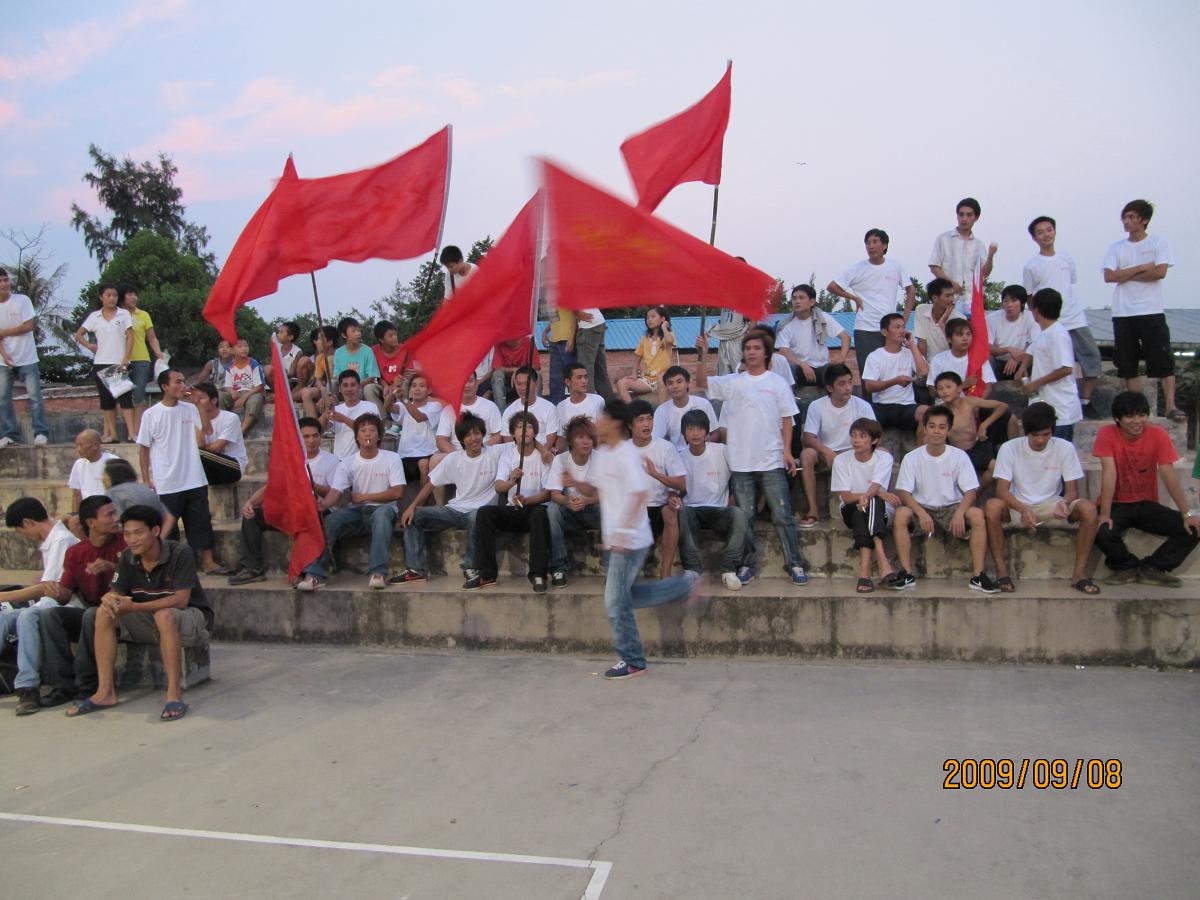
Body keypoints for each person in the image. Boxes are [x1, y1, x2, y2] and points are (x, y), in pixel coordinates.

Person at [567, 399, 701, 678]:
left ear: (615, 423)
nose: (598, 423)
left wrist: (622, 532)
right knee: (623, 597)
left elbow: (639, 493)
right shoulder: (605, 453)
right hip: (616, 539)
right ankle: (686, 585)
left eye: (602, 418)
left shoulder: (626, 454)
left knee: (615, 602)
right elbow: (599, 489)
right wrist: (575, 483)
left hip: (629, 540)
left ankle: (632, 660)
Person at [65, 504, 213, 721]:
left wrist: (134, 607)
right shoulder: (127, 556)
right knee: (103, 613)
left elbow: (181, 600)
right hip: (150, 619)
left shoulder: (179, 553)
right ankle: (105, 692)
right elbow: (116, 591)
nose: (132, 539)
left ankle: (174, 695)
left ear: (155, 530)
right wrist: (110, 598)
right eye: (127, 534)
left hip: (189, 619)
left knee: (165, 614)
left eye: (138, 533)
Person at [694, 331, 810, 586]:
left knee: (782, 515)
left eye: (756, 348)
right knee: (744, 518)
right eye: (747, 348)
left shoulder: (777, 383)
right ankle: (747, 563)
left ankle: (795, 563)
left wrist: (787, 451)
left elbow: (787, 419)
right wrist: (702, 354)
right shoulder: (734, 382)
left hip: (771, 460)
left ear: (766, 352)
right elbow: (702, 382)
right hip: (741, 462)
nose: (751, 352)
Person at [984, 402, 1100, 594]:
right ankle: (1002, 574)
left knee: (1088, 509)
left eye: (1045, 434)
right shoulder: (1009, 448)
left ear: (1052, 431)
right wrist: (1023, 509)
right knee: (992, 506)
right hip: (1017, 505)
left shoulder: (1064, 447)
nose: (1040, 440)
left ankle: (1079, 574)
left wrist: (1064, 503)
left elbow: (1072, 491)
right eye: (1035, 435)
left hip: (1051, 504)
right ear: (1026, 432)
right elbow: (1002, 491)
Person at [1093, 391, 1200, 587]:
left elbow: (1168, 473)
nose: (1137, 421)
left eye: (1142, 415)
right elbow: (1109, 473)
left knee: (1193, 529)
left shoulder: (1158, 434)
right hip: (1116, 504)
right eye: (1130, 416)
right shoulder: (1106, 433)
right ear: (1117, 419)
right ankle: (1125, 566)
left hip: (1146, 504)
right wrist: (1105, 514)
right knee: (1100, 530)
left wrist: (1187, 514)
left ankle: (1152, 568)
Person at [892, 406, 996, 593]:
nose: (936, 431)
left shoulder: (959, 456)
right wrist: (921, 513)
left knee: (976, 514)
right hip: (922, 507)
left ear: (948, 430)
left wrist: (960, 513)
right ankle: (906, 573)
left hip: (951, 507)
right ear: (925, 428)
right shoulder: (912, 458)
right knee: (901, 514)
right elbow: (904, 492)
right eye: (932, 426)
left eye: (941, 427)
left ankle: (979, 575)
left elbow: (970, 491)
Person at [228, 416, 342, 585]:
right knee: (252, 516)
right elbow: (271, 486)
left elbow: (334, 492)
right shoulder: (290, 459)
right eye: (306, 436)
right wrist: (250, 503)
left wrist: (308, 483)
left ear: (321, 437)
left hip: (317, 511)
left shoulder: (331, 461)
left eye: (315, 435)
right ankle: (252, 568)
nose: (311, 440)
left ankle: (303, 570)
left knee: (309, 519)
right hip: (291, 510)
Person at [296, 415, 403, 591]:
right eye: (363, 430)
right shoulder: (347, 463)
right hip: (358, 512)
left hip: (384, 510)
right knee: (332, 520)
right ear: (356, 437)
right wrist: (324, 504)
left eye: (372, 430)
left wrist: (364, 497)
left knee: (382, 515)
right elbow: (335, 492)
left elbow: (397, 492)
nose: (367, 434)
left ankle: (378, 572)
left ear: (379, 435)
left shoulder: (392, 458)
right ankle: (315, 575)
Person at [38, 494, 126, 707]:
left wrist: (112, 567)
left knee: (92, 614)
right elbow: (65, 595)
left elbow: (137, 577)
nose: (116, 519)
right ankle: (62, 685)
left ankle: (87, 683)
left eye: (115, 513)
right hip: (93, 613)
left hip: (123, 612)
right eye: (109, 515)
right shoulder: (76, 552)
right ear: (91, 523)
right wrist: (54, 591)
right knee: (49, 615)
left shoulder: (126, 543)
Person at [394, 413, 500, 584]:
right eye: (468, 435)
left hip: (479, 514)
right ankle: (415, 569)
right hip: (455, 510)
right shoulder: (454, 458)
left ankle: (471, 567)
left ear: (483, 434)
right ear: (462, 439)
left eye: (477, 433)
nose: (474, 438)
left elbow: (521, 443)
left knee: (478, 515)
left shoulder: (495, 453)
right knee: (413, 516)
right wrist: (412, 506)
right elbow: (431, 484)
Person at [1102, 200, 1182, 421]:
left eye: (1132, 217)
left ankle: (1171, 406)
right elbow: (1109, 276)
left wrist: (1125, 274)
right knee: (1127, 362)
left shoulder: (1158, 242)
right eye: (1125, 217)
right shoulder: (1116, 247)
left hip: (1151, 309)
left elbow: (1159, 272)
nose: (1126, 221)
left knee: (1162, 359)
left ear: (1144, 219)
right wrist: (1139, 268)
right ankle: (1137, 409)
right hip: (1123, 312)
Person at [0, 497, 79, 714]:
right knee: (3, 619)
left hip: (67, 605)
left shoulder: (62, 541)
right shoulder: (51, 543)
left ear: (28, 523)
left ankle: (27, 687)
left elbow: (48, 588)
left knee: (27, 617)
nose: (23, 536)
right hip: (47, 603)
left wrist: (4, 596)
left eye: (20, 531)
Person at [137, 369, 220, 574]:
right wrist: (146, 478)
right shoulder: (151, 414)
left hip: (195, 477)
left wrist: (199, 405)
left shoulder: (190, 409)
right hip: (167, 481)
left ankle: (208, 562)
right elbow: (143, 448)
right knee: (170, 528)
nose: (183, 385)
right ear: (165, 386)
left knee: (201, 522)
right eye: (178, 382)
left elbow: (207, 430)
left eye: (183, 381)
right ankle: (173, 567)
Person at [1023, 217, 1102, 416]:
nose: (1046, 235)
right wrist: (1038, 318)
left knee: (1091, 355)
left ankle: (1086, 400)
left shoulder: (1066, 258)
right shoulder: (1032, 265)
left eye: (1049, 230)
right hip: (1049, 320)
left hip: (1074, 317)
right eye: (1040, 232)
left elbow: (1070, 284)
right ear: (1034, 238)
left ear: (1055, 231)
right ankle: (1040, 402)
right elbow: (1029, 296)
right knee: (1046, 360)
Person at [472, 411, 552, 592]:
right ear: (513, 433)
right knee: (484, 513)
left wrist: (527, 500)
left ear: (535, 432)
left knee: (539, 513)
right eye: (520, 427)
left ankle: (538, 574)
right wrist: (512, 481)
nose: (525, 431)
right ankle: (486, 573)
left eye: (529, 427)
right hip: (513, 508)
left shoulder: (542, 457)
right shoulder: (508, 455)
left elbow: (547, 494)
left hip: (534, 508)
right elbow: (499, 487)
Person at [826, 230, 914, 384]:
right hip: (865, 327)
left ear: (884, 245)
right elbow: (832, 287)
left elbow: (911, 289)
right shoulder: (857, 268)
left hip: (890, 328)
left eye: (875, 242)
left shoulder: (895, 266)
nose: (871, 246)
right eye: (867, 243)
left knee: (892, 370)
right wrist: (854, 298)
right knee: (869, 375)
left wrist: (905, 317)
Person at [676, 409, 749, 591]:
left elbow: (740, 473)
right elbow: (676, 488)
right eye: (690, 429)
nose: (695, 434)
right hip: (693, 510)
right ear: (684, 433)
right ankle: (692, 569)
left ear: (707, 431)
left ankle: (729, 569)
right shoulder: (679, 456)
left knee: (739, 514)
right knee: (683, 513)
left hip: (719, 510)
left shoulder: (721, 450)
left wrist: (733, 496)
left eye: (700, 429)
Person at [799, 363, 876, 527]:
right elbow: (808, 437)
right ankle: (813, 509)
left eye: (850, 382)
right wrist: (826, 451)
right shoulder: (817, 406)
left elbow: (875, 434)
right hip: (827, 452)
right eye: (842, 383)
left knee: (881, 452)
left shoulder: (862, 406)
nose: (848, 387)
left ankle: (875, 503)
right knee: (807, 455)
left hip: (854, 451)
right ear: (829, 387)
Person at [830, 418, 898, 593]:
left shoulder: (884, 458)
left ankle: (864, 574)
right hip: (849, 509)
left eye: (862, 436)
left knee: (868, 506)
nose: (856, 440)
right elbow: (846, 497)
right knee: (869, 502)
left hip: (878, 511)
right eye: (853, 435)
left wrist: (871, 495)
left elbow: (874, 487)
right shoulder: (841, 460)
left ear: (874, 440)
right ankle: (882, 559)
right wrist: (877, 494)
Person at [630, 399, 686, 580]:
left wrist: (656, 475)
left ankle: (665, 571)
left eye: (649, 419)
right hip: (635, 509)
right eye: (640, 420)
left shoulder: (665, 447)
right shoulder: (623, 451)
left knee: (671, 511)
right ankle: (623, 572)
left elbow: (681, 483)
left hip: (660, 506)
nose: (646, 424)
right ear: (630, 425)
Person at [1017, 289, 1081, 442]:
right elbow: (1031, 351)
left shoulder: (1057, 334)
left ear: (1036, 311)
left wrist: (1036, 383)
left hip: (1060, 407)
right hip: (1046, 405)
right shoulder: (1045, 332)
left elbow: (1066, 369)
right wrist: (1023, 366)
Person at [75, 283, 135, 444]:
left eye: (114, 295)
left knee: (125, 399)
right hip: (101, 361)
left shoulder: (123, 314)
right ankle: (112, 434)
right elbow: (79, 334)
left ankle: (131, 433)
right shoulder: (95, 316)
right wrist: (90, 346)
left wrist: (126, 358)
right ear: (101, 297)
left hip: (118, 362)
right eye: (108, 295)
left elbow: (130, 336)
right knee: (107, 402)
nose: (112, 298)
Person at [545, 415, 601, 588]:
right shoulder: (561, 460)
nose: (586, 442)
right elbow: (554, 495)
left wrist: (587, 500)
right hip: (570, 510)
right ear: (571, 440)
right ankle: (558, 569)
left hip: (593, 511)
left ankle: (614, 569)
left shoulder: (601, 459)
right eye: (580, 437)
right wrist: (569, 501)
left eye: (589, 437)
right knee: (552, 510)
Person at [932, 371, 1010, 491]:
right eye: (940, 388)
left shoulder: (969, 401)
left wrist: (984, 425)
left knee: (996, 467)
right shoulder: (939, 411)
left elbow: (1003, 406)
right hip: (957, 453)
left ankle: (976, 494)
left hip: (976, 447)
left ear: (959, 388)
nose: (944, 391)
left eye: (948, 387)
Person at [0, 266, 49, 447]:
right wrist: (4, 355)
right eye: (0, 281)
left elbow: (28, 326)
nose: (4, 284)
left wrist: (3, 332)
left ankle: (41, 432)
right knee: (3, 399)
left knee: (35, 397)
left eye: (5, 280)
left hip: (27, 357)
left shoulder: (22, 300)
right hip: (4, 361)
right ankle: (10, 434)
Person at [862, 313, 929, 435]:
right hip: (881, 406)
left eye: (903, 327)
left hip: (907, 405)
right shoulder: (875, 356)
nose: (902, 331)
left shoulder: (910, 353)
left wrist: (912, 345)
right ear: (884, 332)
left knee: (927, 413)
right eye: (897, 327)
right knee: (864, 418)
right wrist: (894, 381)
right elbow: (869, 386)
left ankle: (922, 447)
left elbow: (924, 372)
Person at [928, 197, 998, 316]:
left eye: (969, 215)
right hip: (947, 298)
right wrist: (951, 283)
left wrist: (991, 256)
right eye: (961, 214)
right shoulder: (944, 239)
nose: (964, 218)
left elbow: (984, 273)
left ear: (976, 218)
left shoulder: (978, 245)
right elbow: (934, 266)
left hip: (971, 299)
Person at [776, 285, 851, 388]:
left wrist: (842, 357)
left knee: (837, 371)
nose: (797, 301)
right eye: (794, 298)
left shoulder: (822, 318)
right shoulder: (785, 324)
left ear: (812, 302)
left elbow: (845, 337)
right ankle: (790, 397)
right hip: (798, 367)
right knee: (787, 368)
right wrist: (802, 364)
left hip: (822, 366)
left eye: (801, 298)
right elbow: (783, 351)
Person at [120, 287, 166, 432]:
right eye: (129, 294)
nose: (133, 297)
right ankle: (129, 430)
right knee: (123, 396)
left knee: (139, 395)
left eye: (135, 294)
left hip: (141, 359)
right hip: (120, 360)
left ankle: (138, 430)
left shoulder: (143, 315)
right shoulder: (117, 315)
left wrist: (158, 351)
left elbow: (152, 337)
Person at [391, 373, 442, 490]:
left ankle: (422, 499)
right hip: (405, 455)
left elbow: (419, 417)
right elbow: (387, 408)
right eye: (414, 386)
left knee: (423, 463)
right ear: (409, 390)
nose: (417, 389)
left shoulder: (435, 406)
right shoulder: (402, 405)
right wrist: (394, 389)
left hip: (429, 453)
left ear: (429, 390)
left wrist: (404, 399)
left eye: (421, 386)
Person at [191, 382, 247, 487]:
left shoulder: (230, 418)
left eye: (201, 398)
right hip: (210, 468)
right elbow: (200, 444)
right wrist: (197, 419)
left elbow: (217, 448)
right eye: (195, 399)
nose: (197, 402)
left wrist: (201, 449)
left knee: (196, 453)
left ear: (214, 400)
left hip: (233, 466)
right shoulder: (195, 418)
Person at [652, 365, 719, 451]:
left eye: (679, 382)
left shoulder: (703, 404)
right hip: (676, 454)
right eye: (670, 383)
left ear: (687, 383)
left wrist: (703, 446)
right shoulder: (662, 410)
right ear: (666, 386)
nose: (675, 386)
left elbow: (716, 433)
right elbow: (656, 439)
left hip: (702, 451)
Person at [102, 457, 175, 536]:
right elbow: (169, 518)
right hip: (153, 536)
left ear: (112, 477)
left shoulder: (114, 492)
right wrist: (159, 539)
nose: (102, 479)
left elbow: (117, 525)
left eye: (104, 475)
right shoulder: (144, 488)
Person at [617, 307, 676, 402]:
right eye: (647, 318)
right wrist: (634, 374)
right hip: (647, 380)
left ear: (662, 318)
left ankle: (661, 410)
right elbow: (637, 358)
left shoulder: (668, 335)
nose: (649, 320)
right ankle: (632, 409)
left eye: (653, 316)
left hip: (664, 378)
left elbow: (669, 341)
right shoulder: (645, 338)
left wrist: (664, 327)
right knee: (621, 383)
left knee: (661, 377)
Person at [928, 318, 997, 398]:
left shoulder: (979, 358)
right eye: (960, 335)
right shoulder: (938, 360)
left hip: (974, 402)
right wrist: (962, 385)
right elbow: (932, 390)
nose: (965, 338)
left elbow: (988, 386)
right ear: (949, 339)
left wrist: (976, 403)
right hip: (946, 403)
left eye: (968, 334)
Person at [434, 374, 503, 453]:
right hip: (456, 454)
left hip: (484, 452)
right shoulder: (449, 410)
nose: (466, 385)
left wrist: (480, 450)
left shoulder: (490, 406)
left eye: (470, 381)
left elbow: (498, 435)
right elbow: (441, 439)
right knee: (435, 458)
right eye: (463, 382)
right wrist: (457, 456)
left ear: (476, 383)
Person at [332, 317, 384, 415]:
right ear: (344, 335)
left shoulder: (367, 350)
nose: (358, 333)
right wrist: (347, 385)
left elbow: (372, 377)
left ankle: (382, 418)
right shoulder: (338, 352)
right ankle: (332, 415)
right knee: (331, 384)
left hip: (363, 386)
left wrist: (356, 385)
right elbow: (337, 375)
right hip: (345, 386)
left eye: (359, 331)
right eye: (354, 331)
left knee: (368, 389)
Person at [323, 370, 379, 460]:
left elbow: (367, 431)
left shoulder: (370, 407)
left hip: (363, 460)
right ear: (340, 389)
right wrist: (327, 409)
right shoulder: (336, 409)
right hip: (340, 461)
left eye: (353, 385)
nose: (349, 389)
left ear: (359, 387)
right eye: (345, 385)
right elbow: (321, 429)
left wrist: (344, 419)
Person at [501, 367, 558, 454]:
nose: (522, 388)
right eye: (519, 384)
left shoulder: (549, 408)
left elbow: (550, 438)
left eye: (526, 384)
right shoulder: (509, 411)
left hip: (542, 454)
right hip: (517, 455)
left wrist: (540, 454)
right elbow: (508, 440)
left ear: (536, 384)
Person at [986, 285, 1036, 380]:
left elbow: (1035, 343)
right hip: (1000, 363)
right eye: (1006, 301)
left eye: (1014, 301)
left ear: (1022, 303)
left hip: (1025, 361)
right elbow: (988, 347)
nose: (1009, 305)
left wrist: (1016, 358)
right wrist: (1009, 350)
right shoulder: (992, 319)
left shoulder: (1030, 317)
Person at [220, 338, 267, 436]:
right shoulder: (229, 367)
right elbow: (227, 386)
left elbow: (259, 386)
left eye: (246, 346)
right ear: (232, 351)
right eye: (240, 346)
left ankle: (242, 430)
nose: (244, 349)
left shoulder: (254, 364)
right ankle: (223, 427)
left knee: (256, 400)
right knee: (220, 396)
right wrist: (232, 392)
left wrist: (244, 397)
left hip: (252, 392)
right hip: (237, 393)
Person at [67, 429, 117, 514]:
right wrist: (75, 515)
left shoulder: (113, 462)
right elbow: (77, 494)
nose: (78, 449)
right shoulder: (78, 464)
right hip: (87, 512)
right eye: (77, 445)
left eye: (81, 445)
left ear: (95, 445)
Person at [913, 278, 958, 365]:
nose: (952, 299)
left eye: (953, 295)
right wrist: (925, 367)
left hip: (950, 366)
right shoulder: (921, 310)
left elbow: (956, 349)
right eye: (947, 296)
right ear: (934, 298)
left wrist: (942, 323)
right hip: (928, 365)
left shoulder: (959, 318)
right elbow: (922, 343)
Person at [487, 336, 540, 410]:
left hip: (524, 380)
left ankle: (536, 408)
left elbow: (536, 366)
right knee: (497, 375)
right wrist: (515, 370)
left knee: (537, 374)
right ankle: (501, 411)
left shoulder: (528, 342)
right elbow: (496, 367)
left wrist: (519, 372)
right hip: (507, 383)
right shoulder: (500, 343)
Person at [555, 362, 606, 438]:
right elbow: (562, 436)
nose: (584, 381)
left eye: (585, 377)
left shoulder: (598, 401)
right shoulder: (561, 406)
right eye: (579, 378)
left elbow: (603, 431)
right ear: (567, 382)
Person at [299, 325, 339, 420]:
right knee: (305, 392)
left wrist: (326, 395)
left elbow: (336, 380)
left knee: (330, 360)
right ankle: (313, 423)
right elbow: (318, 380)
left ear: (330, 342)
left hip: (339, 389)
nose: (317, 342)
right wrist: (323, 390)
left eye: (320, 339)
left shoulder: (340, 355)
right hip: (326, 389)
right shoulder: (320, 358)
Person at [372, 320, 408, 425]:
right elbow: (375, 374)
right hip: (383, 385)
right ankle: (384, 420)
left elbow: (408, 373)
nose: (395, 337)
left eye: (395, 334)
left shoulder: (405, 349)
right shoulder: (374, 351)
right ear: (381, 339)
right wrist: (385, 386)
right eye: (390, 335)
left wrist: (394, 386)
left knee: (405, 384)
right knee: (369, 388)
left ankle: (402, 419)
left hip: (400, 382)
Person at [574, 308, 613, 400]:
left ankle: (589, 403)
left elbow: (567, 300)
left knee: (585, 370)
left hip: (588, 325)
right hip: (598, 321)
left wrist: (576, 312)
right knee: (600, 369)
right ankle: (610, 405)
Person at [541, 306, 577, 401]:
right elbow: (554, 317)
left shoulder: (566, 296)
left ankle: (577, 402)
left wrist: (571, 338)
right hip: (555, 340)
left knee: (571, 374)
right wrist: (545, 331)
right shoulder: (551, 301)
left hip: (566, 339)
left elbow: (575, 314)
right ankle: (556, 404)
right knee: (555, 377)